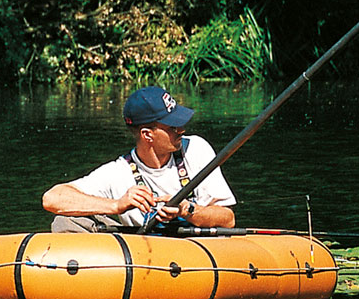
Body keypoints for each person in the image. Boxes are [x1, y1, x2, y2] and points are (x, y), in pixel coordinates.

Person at [43, 86, 237, 233]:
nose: (181, 130)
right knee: (64, 222)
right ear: (147, 135)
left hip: (196, 250)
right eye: (173, 127)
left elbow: (228, 219)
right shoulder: (119, 172)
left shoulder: (196, 149)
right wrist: (117, 205)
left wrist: (186, 210)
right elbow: (52, 198)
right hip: (142, 255)